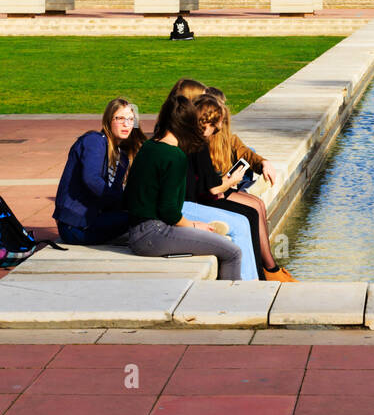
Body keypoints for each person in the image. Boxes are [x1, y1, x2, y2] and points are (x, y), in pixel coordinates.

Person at [124, 94, 243, 280]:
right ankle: (230, 304)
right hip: (154, 235)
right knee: (233, 252)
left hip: (136, 231)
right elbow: (169, 211)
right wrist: (195, 225)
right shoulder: (175, 156)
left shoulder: (148, 147)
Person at [187, 94, 293, 281]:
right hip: (202, 197)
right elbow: (210, 188)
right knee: (249, 214)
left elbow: (244, 154)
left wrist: (262, 163)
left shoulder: (214, 140)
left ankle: (267, 270)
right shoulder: (197, 144)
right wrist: (229, 181)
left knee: (257, 205)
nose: (219, 128)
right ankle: (264, 272)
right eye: (216, 123)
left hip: (211, 191)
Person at [54, 98, 138, 245]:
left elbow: (114, 197)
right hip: (74, 226)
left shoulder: (121, 157)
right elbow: (92, 179)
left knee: (141, 214)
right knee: (138, 217)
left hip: (94, 219)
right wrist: (128, 202)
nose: (126, 124)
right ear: (108, 120)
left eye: (131, 119)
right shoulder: (94, 141)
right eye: (120, 118)